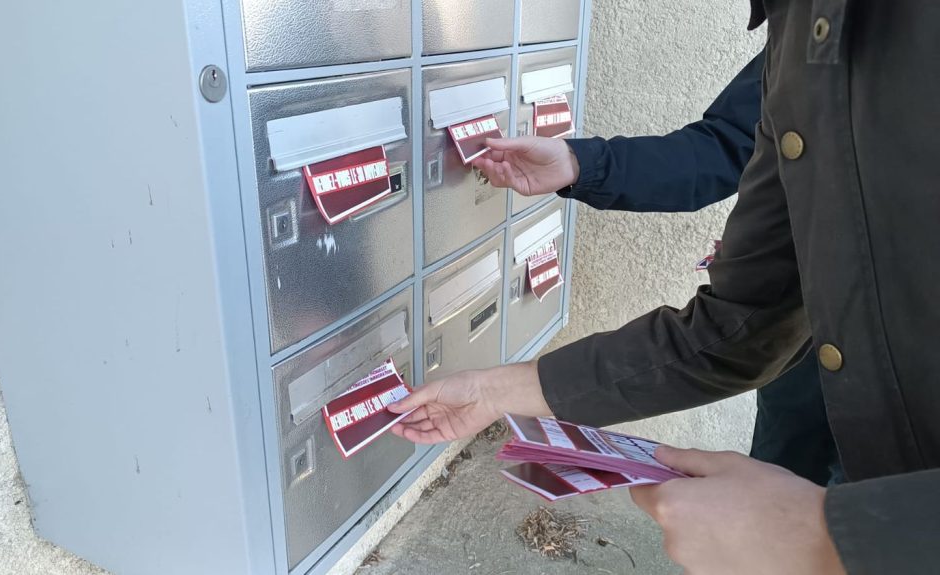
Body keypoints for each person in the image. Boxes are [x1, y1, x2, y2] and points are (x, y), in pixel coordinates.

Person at [390, 2, 940, 573]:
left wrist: (833, 541)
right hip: (832, 411)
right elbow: (739, 323)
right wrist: (493, 393)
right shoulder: (803, 32)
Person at [510, 47, 841, 486]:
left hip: (909, 397)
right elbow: (725, 143)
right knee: (776, 484)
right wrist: (580, 164)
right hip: (803, 359)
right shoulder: (809, 29)